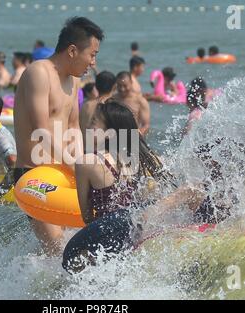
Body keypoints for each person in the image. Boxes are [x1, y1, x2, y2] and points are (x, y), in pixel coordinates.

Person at [14, 16, 103, 254]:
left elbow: (73, 129)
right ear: (73, 50)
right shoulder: (38, 73)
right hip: (35, 175)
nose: (93, 62)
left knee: (83, 248)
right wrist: (76, 166)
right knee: (59, 252)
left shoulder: (73, 81)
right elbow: (41, 131)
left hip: (65, 172)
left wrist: (85, 165)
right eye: (92, 54)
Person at [63, 101, 174, 273]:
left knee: (68, 260)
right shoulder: (144, 159)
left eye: (93, 123)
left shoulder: (87, 162)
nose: (88, 127)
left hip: (104, 241)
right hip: (135, 237)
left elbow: (86, 216)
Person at [79, 70, 116, 136]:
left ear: (95, 86)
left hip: (83, 145)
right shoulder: (114, 107)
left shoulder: (86, 105)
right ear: (114, 87)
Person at [114, 71, 150, 136]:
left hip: (133, 136)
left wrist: (137, 137)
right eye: (119, 85)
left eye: (125, 86)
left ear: (131, 83)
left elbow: (146, 125)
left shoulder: (140, 101)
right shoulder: (112, 99)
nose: (122, 89)